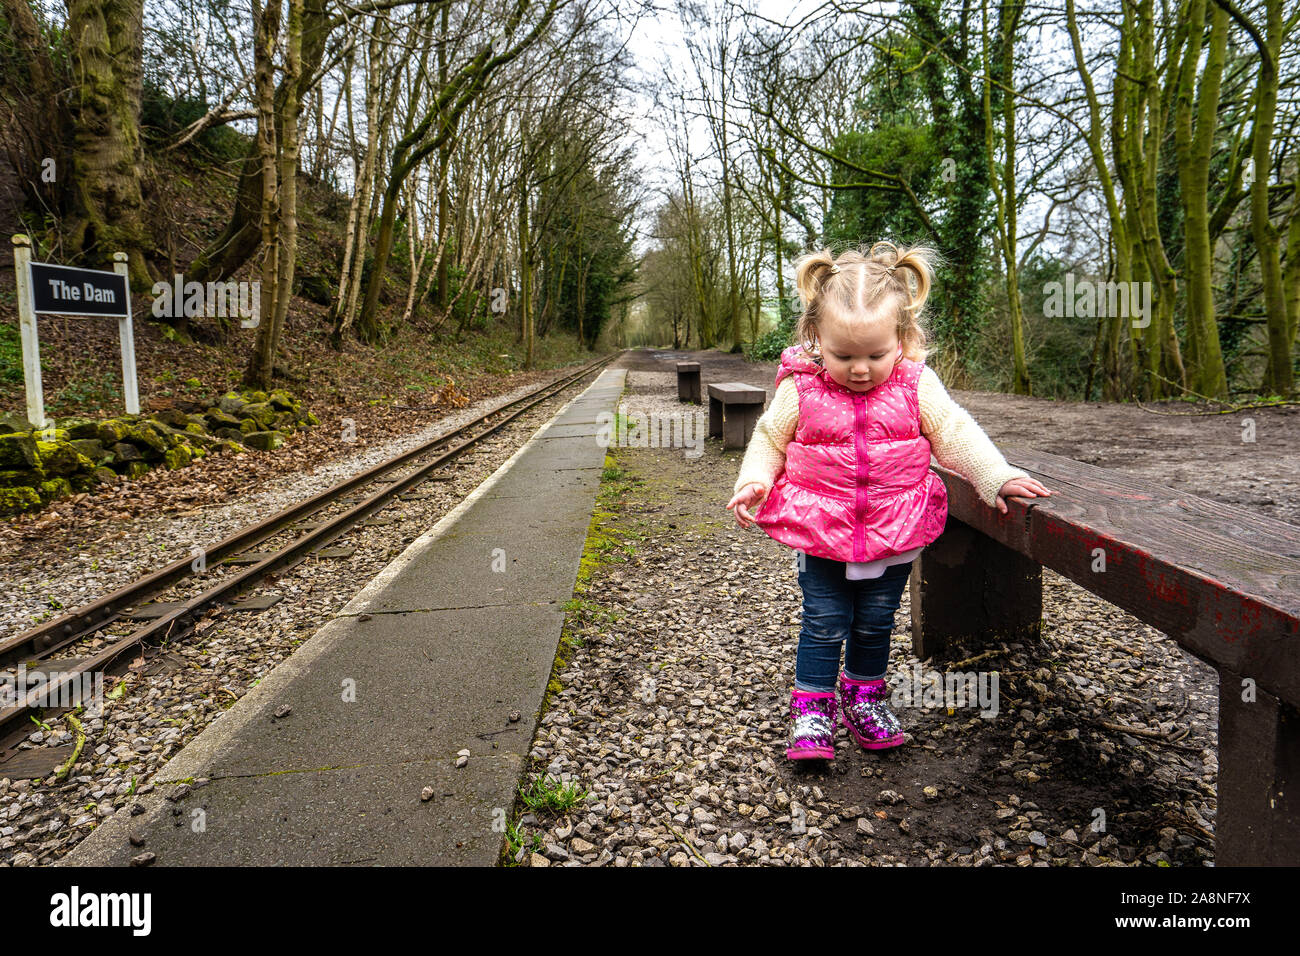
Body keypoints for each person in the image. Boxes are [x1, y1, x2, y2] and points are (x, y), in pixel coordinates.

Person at [725, 241, 1051, 761]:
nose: (860, 369)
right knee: (824, 619)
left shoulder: (916, 384)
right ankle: (812, 708)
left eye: (876, 355)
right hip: (822, 529)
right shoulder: (801, 387)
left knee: (877, 619)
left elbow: (954, 432)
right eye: (843, 355)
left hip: (893, 528)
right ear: (815, 338)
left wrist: (996, 476)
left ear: (903, 337)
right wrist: (755, 481)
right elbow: (768, 439)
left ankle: (864, 695)